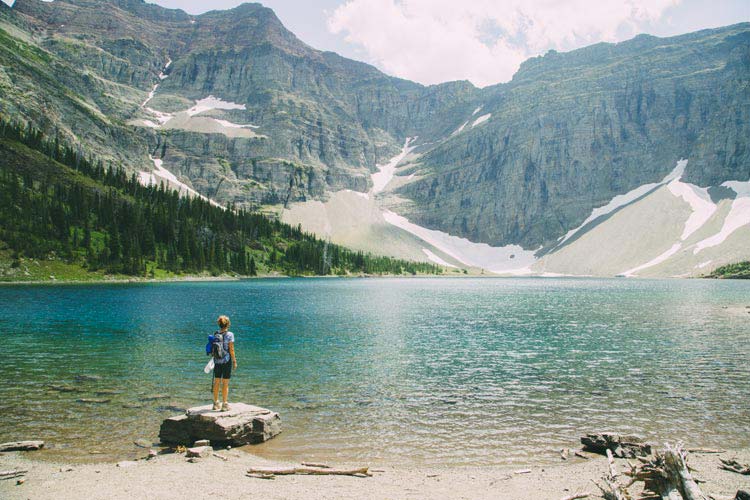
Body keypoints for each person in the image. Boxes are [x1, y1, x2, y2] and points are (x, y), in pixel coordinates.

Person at [211, 315, 237, 411]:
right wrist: (234, 361)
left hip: (217, 361)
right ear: (228, 324)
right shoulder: (230, 334)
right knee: (225, 383)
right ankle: (224, 404)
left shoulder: (216, 334)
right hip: (226, 360)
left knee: (216, 382)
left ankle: (215, 403)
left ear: (219, 324)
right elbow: (231, 349)